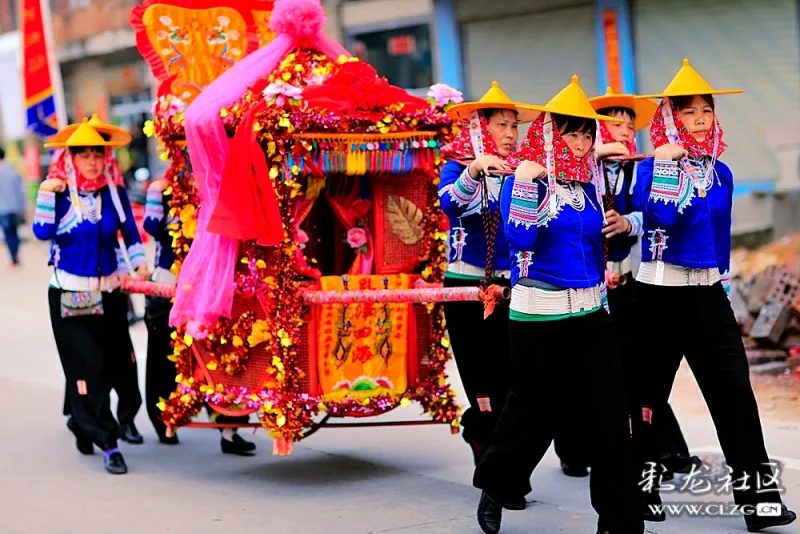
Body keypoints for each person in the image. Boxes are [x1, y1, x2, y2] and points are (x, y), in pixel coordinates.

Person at [632, 58, 796, 532]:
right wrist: (664, 165)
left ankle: (760, 503)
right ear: (670, 120)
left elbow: (718, 236)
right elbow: (661, 217)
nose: (700, 120)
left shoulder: (721, 173)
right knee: (646, 400)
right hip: (659, 297)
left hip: (708, 297)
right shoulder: (650, 170)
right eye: (688, 113)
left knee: (736, 398)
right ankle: (638, 493)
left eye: (706, 111)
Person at [474, 76, 642, 534]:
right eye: (573, 133)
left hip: (592, 315)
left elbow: (599, 247)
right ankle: (496, 483)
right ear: (552, 134)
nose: (583, 142)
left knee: (612, 415)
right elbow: (520, 239)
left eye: (588, 134)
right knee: (533, 413)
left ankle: (619, 519)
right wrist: (527, 185)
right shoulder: (525, 180)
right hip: (539, 319)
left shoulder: (589, 187)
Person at [438, 81, 544, 510]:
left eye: (513, 126)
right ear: (481, 129)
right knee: (482, 381)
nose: (509, 134)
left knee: (518, 379)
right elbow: (452, 206)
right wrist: (475, 171)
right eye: (501, 125)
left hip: (513, 285)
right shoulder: (456, 167)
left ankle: (503, 464)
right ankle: (492, 458)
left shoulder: (523, 171)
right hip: (467, 287)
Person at [33, 118, 149, 474]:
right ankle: (108, 442)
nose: (92, 162)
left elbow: (130, 235)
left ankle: (93, 420)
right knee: (90, 367)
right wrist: (44, 194)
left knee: (118, 362)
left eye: (97, 154)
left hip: (110, 295)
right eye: (83, 155)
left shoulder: (113, 194)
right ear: (71, 159)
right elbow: (41, 232)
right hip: (69, 295)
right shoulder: (59, 194)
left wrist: (140, 266)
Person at [142, 178, 257, 455]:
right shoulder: (170, 189)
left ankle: (228, 430)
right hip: (171, 285)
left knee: (220, 361)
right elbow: (151, 227)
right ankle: (165, 420)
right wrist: (157, 193)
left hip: (213, 291)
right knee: (166, 360)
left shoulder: (224, 187)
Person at [0, 146, 26, 267]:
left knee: (7, 234)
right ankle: (16, 254)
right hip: (14, 207)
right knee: (14, 232)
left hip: (2, 209)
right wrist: (23, 208)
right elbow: (20, 191)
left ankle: (13, 258)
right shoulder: (12, 171)